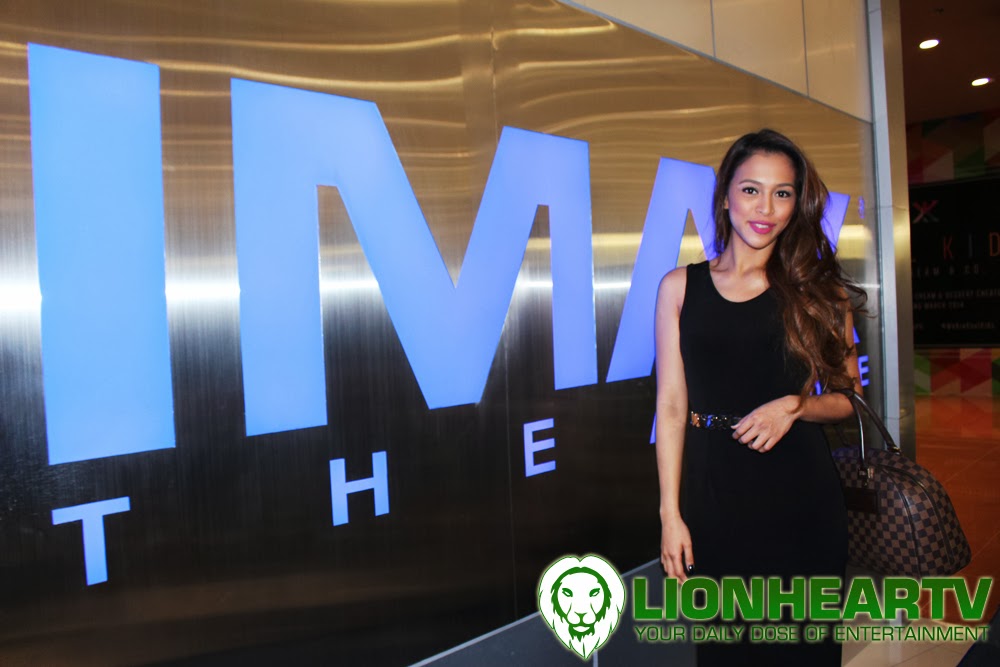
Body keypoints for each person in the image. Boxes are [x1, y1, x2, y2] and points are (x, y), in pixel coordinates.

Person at [653, 128, 865, 666]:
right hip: (713, 494)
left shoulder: (819, 292)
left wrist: (796, 406)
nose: (765, 208)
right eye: (751, 190)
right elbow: (672, 408)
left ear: (797, 205)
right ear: (726, 196)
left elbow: (849, 399)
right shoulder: (679, 288)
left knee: (804, 649)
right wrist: (670, 514)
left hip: (801, 497)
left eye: (782, 193)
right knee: (725, 649)